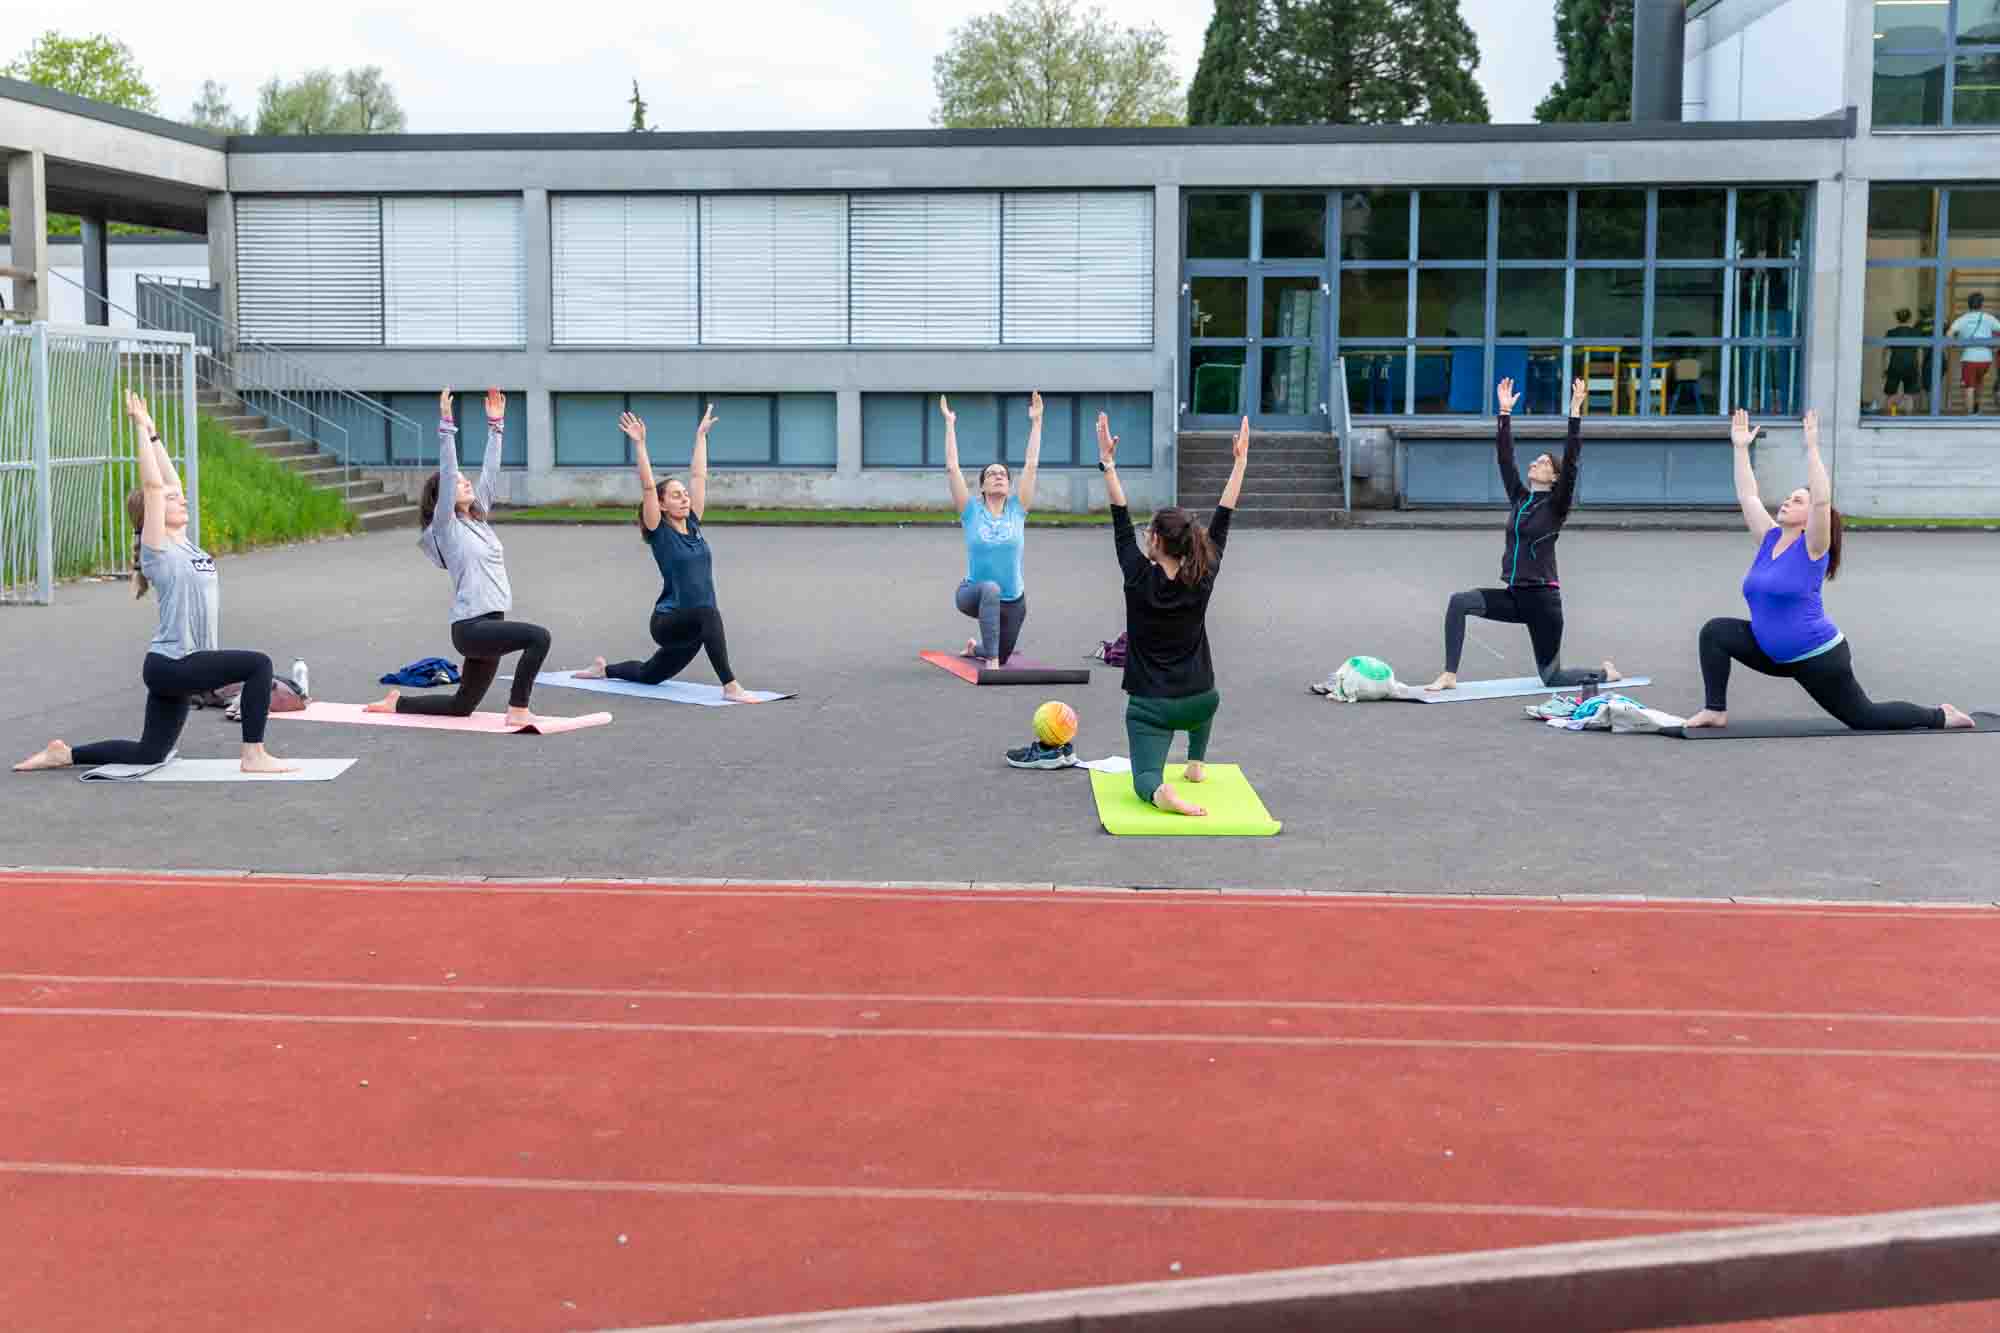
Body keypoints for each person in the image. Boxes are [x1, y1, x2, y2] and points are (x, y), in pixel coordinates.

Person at [15, 392, 294, 774]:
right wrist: (138, 434)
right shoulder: (157, 551)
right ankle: (253, 755)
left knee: (151, 752)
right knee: (259, 665)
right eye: (172, 501)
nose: (182, 500)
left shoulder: (185, 542)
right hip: (176, 663)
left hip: (175, 667)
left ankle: (65, 754)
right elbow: (154, 486)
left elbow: (168, 479)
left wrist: (154, 432)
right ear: (153, 515)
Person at [1683, 409, 1973, 733]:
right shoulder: (1770, 538)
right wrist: (1739, 449)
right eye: (1788, 498)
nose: (1787, 502)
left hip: (1817, 656)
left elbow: (1822, 501)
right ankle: (1714, 710)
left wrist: (1813, 448)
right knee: (1715, 632)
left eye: (1797, 500)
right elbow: (1748, 495)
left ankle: (1940, 715)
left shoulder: (1813, 547)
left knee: (1865, 718)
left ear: (1810, 517)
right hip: (1771, 652)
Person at [1085, 411, 1245, 816]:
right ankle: (1196, 763)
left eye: (1146, 534)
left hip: (1151, 707)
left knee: (1144, 782)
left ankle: (1163, 793)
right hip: (1201, 700)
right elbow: (1223, 516)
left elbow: (1119, 516)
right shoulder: (1204, 573)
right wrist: (1240, 462)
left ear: (1154, 541)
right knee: (1202, 697)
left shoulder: (1138, 576)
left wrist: (1108, 463)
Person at [1424, 377, 1620, 693]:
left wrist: (1574, 412)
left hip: (1544, 603)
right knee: (1459, 602)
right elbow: (1505, 459)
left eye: (1544, 463)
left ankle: (1606, 674)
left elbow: (1571, 462)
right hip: (1515, 596)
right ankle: (1449, 674)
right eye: (1536, 460)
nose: (1536, 463)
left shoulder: (1557, 505)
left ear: (1555, 479)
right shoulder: (1520, 498)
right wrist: (1504, 414)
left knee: (1553, 677)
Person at [367, 389, 551, 722]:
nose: (466, 483)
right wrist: (447, 426)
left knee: (461, 707)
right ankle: (519, 709)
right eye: (459, 483)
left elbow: (490, 473)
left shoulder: (478, 520)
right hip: (471, 627)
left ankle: (397, 703)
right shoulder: (446, 529)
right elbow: (448, 472)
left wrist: (497, 427)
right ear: (444, 496)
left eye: (468, 481)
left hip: (492, 622)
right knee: (539, 638)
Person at [574, 405, 761, 700]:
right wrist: (639, 444)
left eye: (684, 494)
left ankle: (603, 670)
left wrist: (701, 437)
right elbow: (649, 487)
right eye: (676, 495)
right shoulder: (660, 532)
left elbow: (698, 477)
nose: (685, 497)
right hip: (668, 622)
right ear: (661, 505)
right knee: (709, 613)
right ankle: (730, 686)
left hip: (694, 627)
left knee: (650, 675)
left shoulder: (694, 523)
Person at [944, 392, 1043, 670]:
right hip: (973, 594)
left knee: (1003, 649)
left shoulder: (1017, 508)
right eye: (992, 474)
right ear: (983, 487)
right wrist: (950, 424)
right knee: (990, 588)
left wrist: (1036, 422)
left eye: (1003, 474)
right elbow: (953, 468)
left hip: (1014, 601)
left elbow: (1031, 465)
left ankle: (980, 649)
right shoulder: (971, 511)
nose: (998, 476)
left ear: (1009, 486)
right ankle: (991, 660)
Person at [1945, 292, 2000, 414]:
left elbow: (1949, 334)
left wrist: (1954, 344)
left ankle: (1970, 415)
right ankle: (1977, 409)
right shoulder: (1988, 318)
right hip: (1986, 358)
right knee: (1979, 383)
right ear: (1981, 304)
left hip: (1969, 357)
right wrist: (1995, 345)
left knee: (1969, 386)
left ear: (1968, 305)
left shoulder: (1962, 319)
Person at [1883, 308, 1923, 416]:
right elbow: (1919, 352)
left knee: (1890, 395)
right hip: (1911, 366)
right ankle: (1908, 419)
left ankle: (1891, 416)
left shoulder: (1890, 333)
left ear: (1897, 319)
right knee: (1909, 396)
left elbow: (1886, 353)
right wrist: (1919, 368)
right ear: (1909, 319)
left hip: (1894, 365)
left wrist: (1884, 368)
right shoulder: (1916, 332)